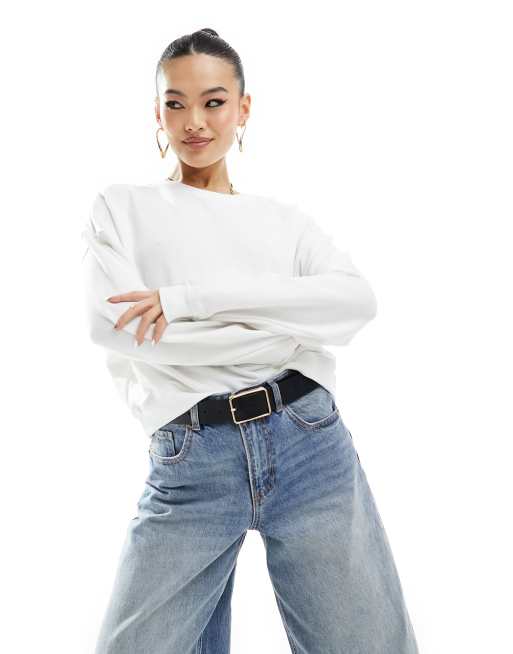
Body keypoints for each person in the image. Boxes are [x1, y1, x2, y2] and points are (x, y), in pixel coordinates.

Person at [82, 27, 419, 654]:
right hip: (192, 455)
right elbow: (114, 329)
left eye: (213, 102)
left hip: (307, 441)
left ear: (243, 108)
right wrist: (278, 329)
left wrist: (185, 302)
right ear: (157, 112)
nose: (194, 121)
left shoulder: (286, 223)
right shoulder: (121, 208)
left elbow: (357, 303)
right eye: (176, 103)